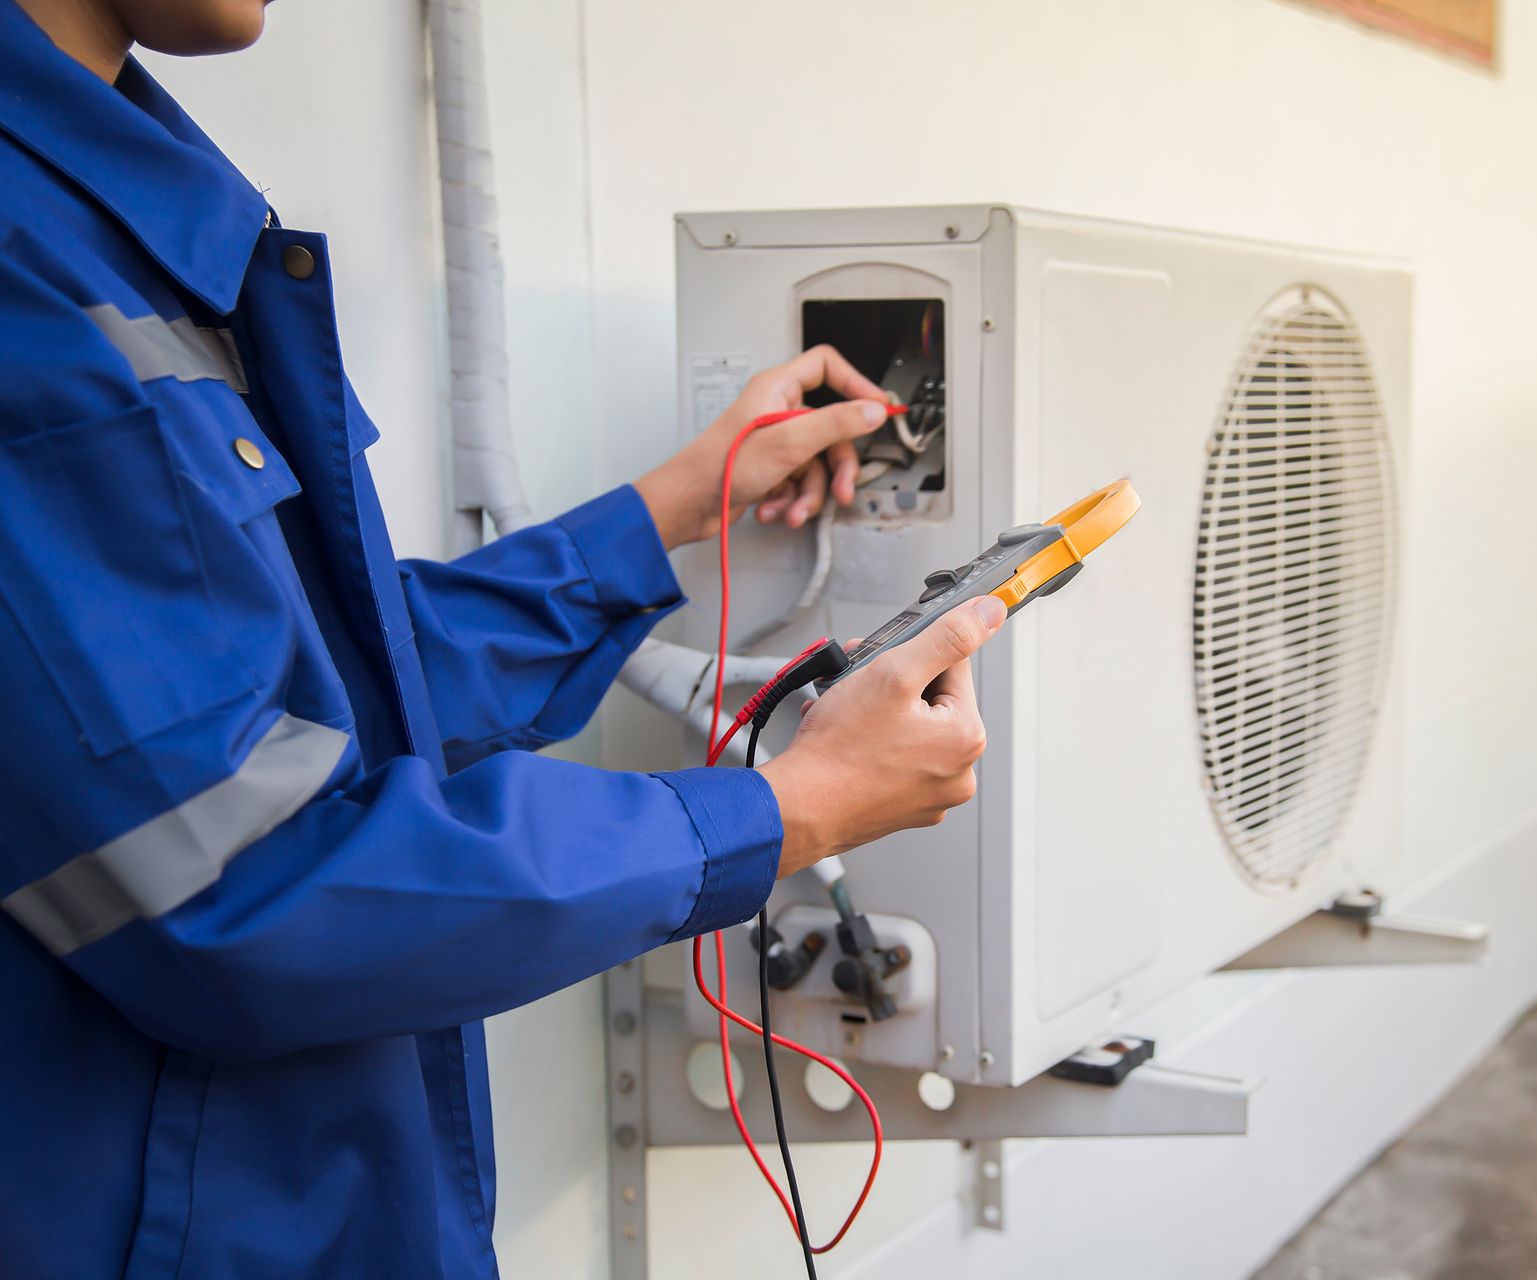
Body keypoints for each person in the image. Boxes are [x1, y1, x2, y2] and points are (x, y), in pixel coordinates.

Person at [0, 1, 1002, 1276]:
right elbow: (242, 885)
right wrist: (780, 811)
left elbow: (332, 677)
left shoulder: (115, 203)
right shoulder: (25, 262)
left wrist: (671, 510)